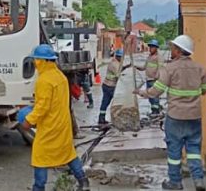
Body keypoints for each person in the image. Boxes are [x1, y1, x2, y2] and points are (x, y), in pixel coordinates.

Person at [135, 34, 206, 191]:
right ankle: (198, 180)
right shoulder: (200, 68)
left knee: (174, 150)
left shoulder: (169, 69)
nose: (171, 50)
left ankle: (175, 182)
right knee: (194, 150)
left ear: (179, 50)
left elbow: (156, 92)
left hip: (175, 116)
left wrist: (142, 92)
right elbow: (205, 91)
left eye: (173, 48)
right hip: (194, 117)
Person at [20, 44, 90, 191]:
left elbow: (42, 107)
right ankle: (83, 182)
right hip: (62, 124)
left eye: (37, 59)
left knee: (40, 157)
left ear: (44, 61)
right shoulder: (60, 76)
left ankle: (38, 187)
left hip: (49, 126)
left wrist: (28, 120)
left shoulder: (44, 80)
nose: (35, 62)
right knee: (68, 153)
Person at [98, 48, 130, 125]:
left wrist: (125, 67)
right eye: (120, 57)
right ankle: (118, 118)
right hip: (110, 86)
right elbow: (118, 75)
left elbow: (119, 70)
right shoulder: (114, 64)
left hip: (106, 85)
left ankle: (101, 118)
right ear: (118, 56)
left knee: (105, 102)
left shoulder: (115, 62)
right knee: (118, 102)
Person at [135, 39, 163, 115]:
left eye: (152, 47)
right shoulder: (149, 57)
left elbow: (160, 69)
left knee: (154, 97)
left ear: (156, 48)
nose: (150, 49)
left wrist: (157, 78)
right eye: (150, 47)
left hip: (154, 80)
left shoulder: (158, 57)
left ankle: (155, 112)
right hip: (148, 79)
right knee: (150, 97)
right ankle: (154, 109)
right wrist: (136, 67)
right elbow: (144, 67)